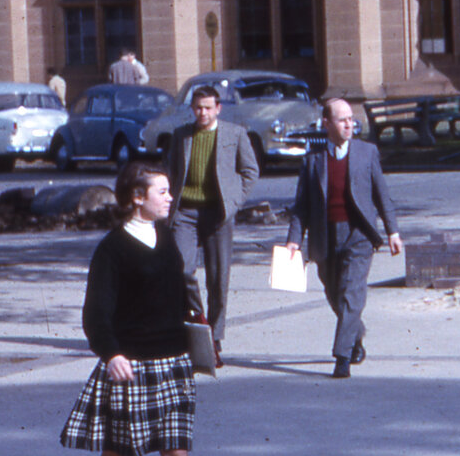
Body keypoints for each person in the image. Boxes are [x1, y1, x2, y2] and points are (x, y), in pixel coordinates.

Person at [60, 161, 223, 456]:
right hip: (129, 364)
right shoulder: (112, 249)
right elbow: (96, 312)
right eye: (162, 191)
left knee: (177, 450)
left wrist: (200, 336)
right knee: (117, 450)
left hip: (173, 363)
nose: (170, 198)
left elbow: (182, 293)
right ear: (137, 197)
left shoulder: (166, 238)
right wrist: (110, 352)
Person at [285, 95, 401, 378]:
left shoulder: (366, 152)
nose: (349, 124)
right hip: (325, 235)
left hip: (358, 233)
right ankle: (355, 334)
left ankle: (342, 356)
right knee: (334, 292)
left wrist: (393, 231)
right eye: (342, 119)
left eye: (351, 119)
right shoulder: (313, 160)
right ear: (326, 123)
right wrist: (293, 239)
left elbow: (382, 194)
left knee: (352, 293)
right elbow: (301, 205)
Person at [160, 84, 263, 359]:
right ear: (192, 109)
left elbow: (250, 171)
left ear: (218, 108)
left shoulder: (235, 133)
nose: (202, 112)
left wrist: (234, 201)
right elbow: (170, 170)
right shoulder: (181, 135)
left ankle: (215, 336)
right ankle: (197, 322)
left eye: (207, 107)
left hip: (218, 214)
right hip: (186, 213)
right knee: (181, 271)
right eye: (197, 107)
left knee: (218, 279)